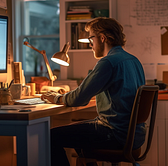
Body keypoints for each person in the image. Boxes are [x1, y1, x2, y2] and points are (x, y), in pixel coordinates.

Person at [41, 17, 146, 166]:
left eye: (91, 39)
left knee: (50, 136)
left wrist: (57, 98)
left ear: (102, 38)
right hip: (134, 135)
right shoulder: (133, 60)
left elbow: (77, 99)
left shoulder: (108, 62)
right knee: (78, 134)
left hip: (115, 134)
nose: (90, 45)